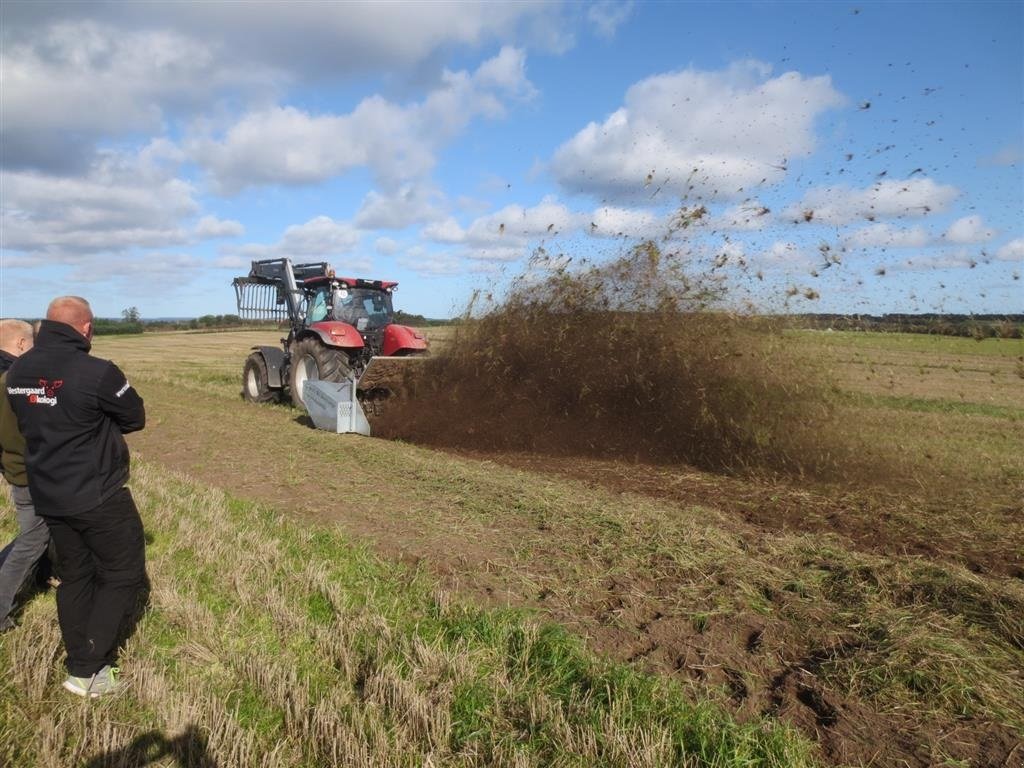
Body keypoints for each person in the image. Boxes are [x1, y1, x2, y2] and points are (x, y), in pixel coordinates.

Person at [5, 297, 146, 698]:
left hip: (47, 492)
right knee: (123, 572)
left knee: (75, 575)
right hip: (97, 493)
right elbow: (134, 418)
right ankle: (87, 669)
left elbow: (24, 417)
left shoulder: (19, 370)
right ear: (86, 328)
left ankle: (78, 661)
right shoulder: (97, 372)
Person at [0, 318, 51, 633]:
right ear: (21, 344)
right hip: (28, 471)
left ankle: (44, 577)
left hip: (16, 468)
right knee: (33, 538)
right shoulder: (14, 378)